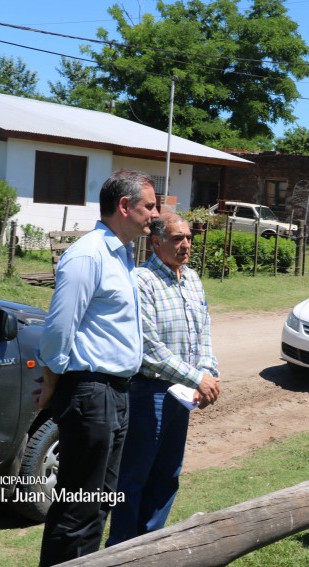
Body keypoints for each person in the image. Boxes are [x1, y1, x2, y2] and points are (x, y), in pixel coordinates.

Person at [34, 169, 159, 566]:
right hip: (91, 392)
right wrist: (52, 384)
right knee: (79, 508)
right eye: (149, 206)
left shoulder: (119, 254)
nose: (155, 215)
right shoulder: (88, 255)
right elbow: (58, 329)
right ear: (125, 206)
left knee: (99, 502)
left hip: (115, 392)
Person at [107, 213, 221, 546]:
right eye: (177, 238)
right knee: (134, 477)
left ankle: (151, 546)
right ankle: (122, 550)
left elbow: (203, 332)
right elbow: (149, 349)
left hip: (182, 393)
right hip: (149, 393)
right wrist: (197, 377)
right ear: (156, 242)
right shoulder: (142, 280)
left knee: (168, 475)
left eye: (188, 237)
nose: (185, 244)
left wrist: (209, 372)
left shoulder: (193, 279)